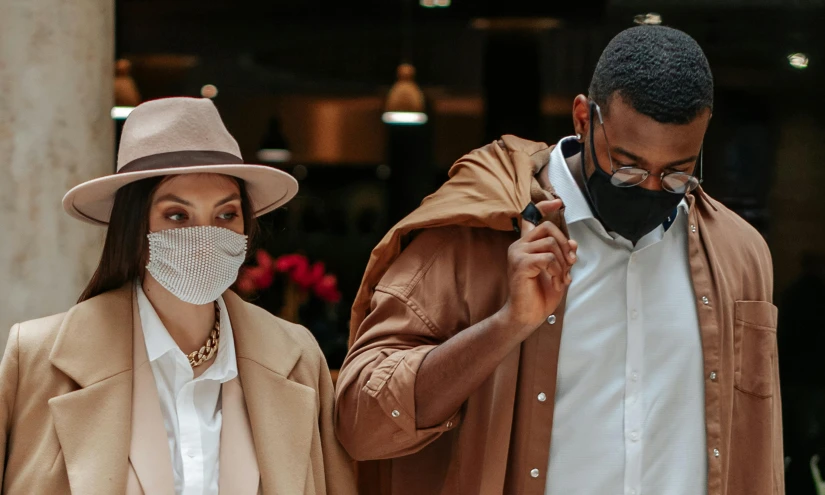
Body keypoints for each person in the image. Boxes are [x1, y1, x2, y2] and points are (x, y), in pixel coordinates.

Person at [336, 26, 782, 495]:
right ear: (584, 119)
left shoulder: (738, 254)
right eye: (627, 167)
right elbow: (360, 424)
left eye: (676, 174)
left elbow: (757, 446)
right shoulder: (476, 233)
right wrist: (506, 325)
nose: (651, 188)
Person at [0, 97, 357, 494]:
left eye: (226, 215)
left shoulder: (297, 356)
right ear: (135, 227)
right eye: (177, 215)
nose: (205, 236)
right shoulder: (35, 358)